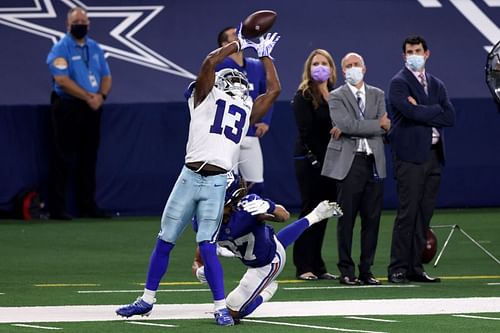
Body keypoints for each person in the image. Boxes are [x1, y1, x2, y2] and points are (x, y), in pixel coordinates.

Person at [115, 27, 281, 326]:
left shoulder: (242, 107)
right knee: (166, 239)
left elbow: (272, 92)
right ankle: (147, 299)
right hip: (192, 176)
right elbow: (214, 68)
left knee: (205, 244)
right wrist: (244, 46)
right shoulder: (207, 95)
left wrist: (263, 55)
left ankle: (219, 306)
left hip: (214, 181)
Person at [192, 173, 343, 322]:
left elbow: (283, 216)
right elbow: (200, 253)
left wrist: (269, 206)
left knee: (233, 313)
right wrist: (199, 268)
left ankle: (267, 291)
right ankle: (315, 215)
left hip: (267, 263)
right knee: (275, 243)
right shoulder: (202, 218)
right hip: (260, 249)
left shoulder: (248, 208)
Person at [387, 35, 455, 284]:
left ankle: (415, 267)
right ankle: (397, 268)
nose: (413, 54)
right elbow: (408, 111)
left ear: (427, 53)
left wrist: (423, 109)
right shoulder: (398, 83)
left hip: (434, 157)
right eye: (409, 51)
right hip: (409, 157)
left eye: (417, 50)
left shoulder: (436, 84)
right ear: (404, 55)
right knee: (408, 213)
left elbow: (450, 117)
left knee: (424, 215)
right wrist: (434, 109)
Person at [322, 52, 390, 286]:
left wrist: (357, 128)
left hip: (373, 161)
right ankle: (346, 270)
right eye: (348, 66)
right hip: (349, 164)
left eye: (356, 65)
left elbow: (386, 128)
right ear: (343, 71)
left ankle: (366, 270)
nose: (353, 69)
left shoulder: (378, 94)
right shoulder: (336, 96)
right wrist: (373, 125)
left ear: (364, 67)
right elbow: (346, 124)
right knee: (347, 219)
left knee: (372, 219)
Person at [46, 7, 112, 220]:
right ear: (68, 25)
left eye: (84, 21)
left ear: (89, 24)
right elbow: (61, 80)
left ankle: (88, 205)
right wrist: (88, 96)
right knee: (63, 156)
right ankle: (57, 208)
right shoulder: (60, 48)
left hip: (93, 107)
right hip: (68, 106)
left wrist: (101, 95)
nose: (81, 24)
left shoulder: (95, 48)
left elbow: (106, 76)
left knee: (89, 157)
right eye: (77, 21)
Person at [291, 49, 338, 281]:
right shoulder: (303, 95)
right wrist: (319, 161)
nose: (320, 67)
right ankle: (303, 265)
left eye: (324, 63)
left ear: (331, 67)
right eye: (315, 63)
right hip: (310, 162)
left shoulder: (337, 95)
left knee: (324, 212)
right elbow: (306, 132)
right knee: (309, 211)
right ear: (309, 69)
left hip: (332, 163)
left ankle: (318, 265)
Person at [215, 26, 275, 196]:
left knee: (256, 183)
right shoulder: (218, 65)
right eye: (234, 35)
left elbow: (267, 93)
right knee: (228, 183)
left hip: (250, 130)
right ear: (224, 44)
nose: (240, 36)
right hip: (227, 133)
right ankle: (228, 220)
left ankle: (249, 219)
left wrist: (266, 120)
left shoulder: (256, 65)